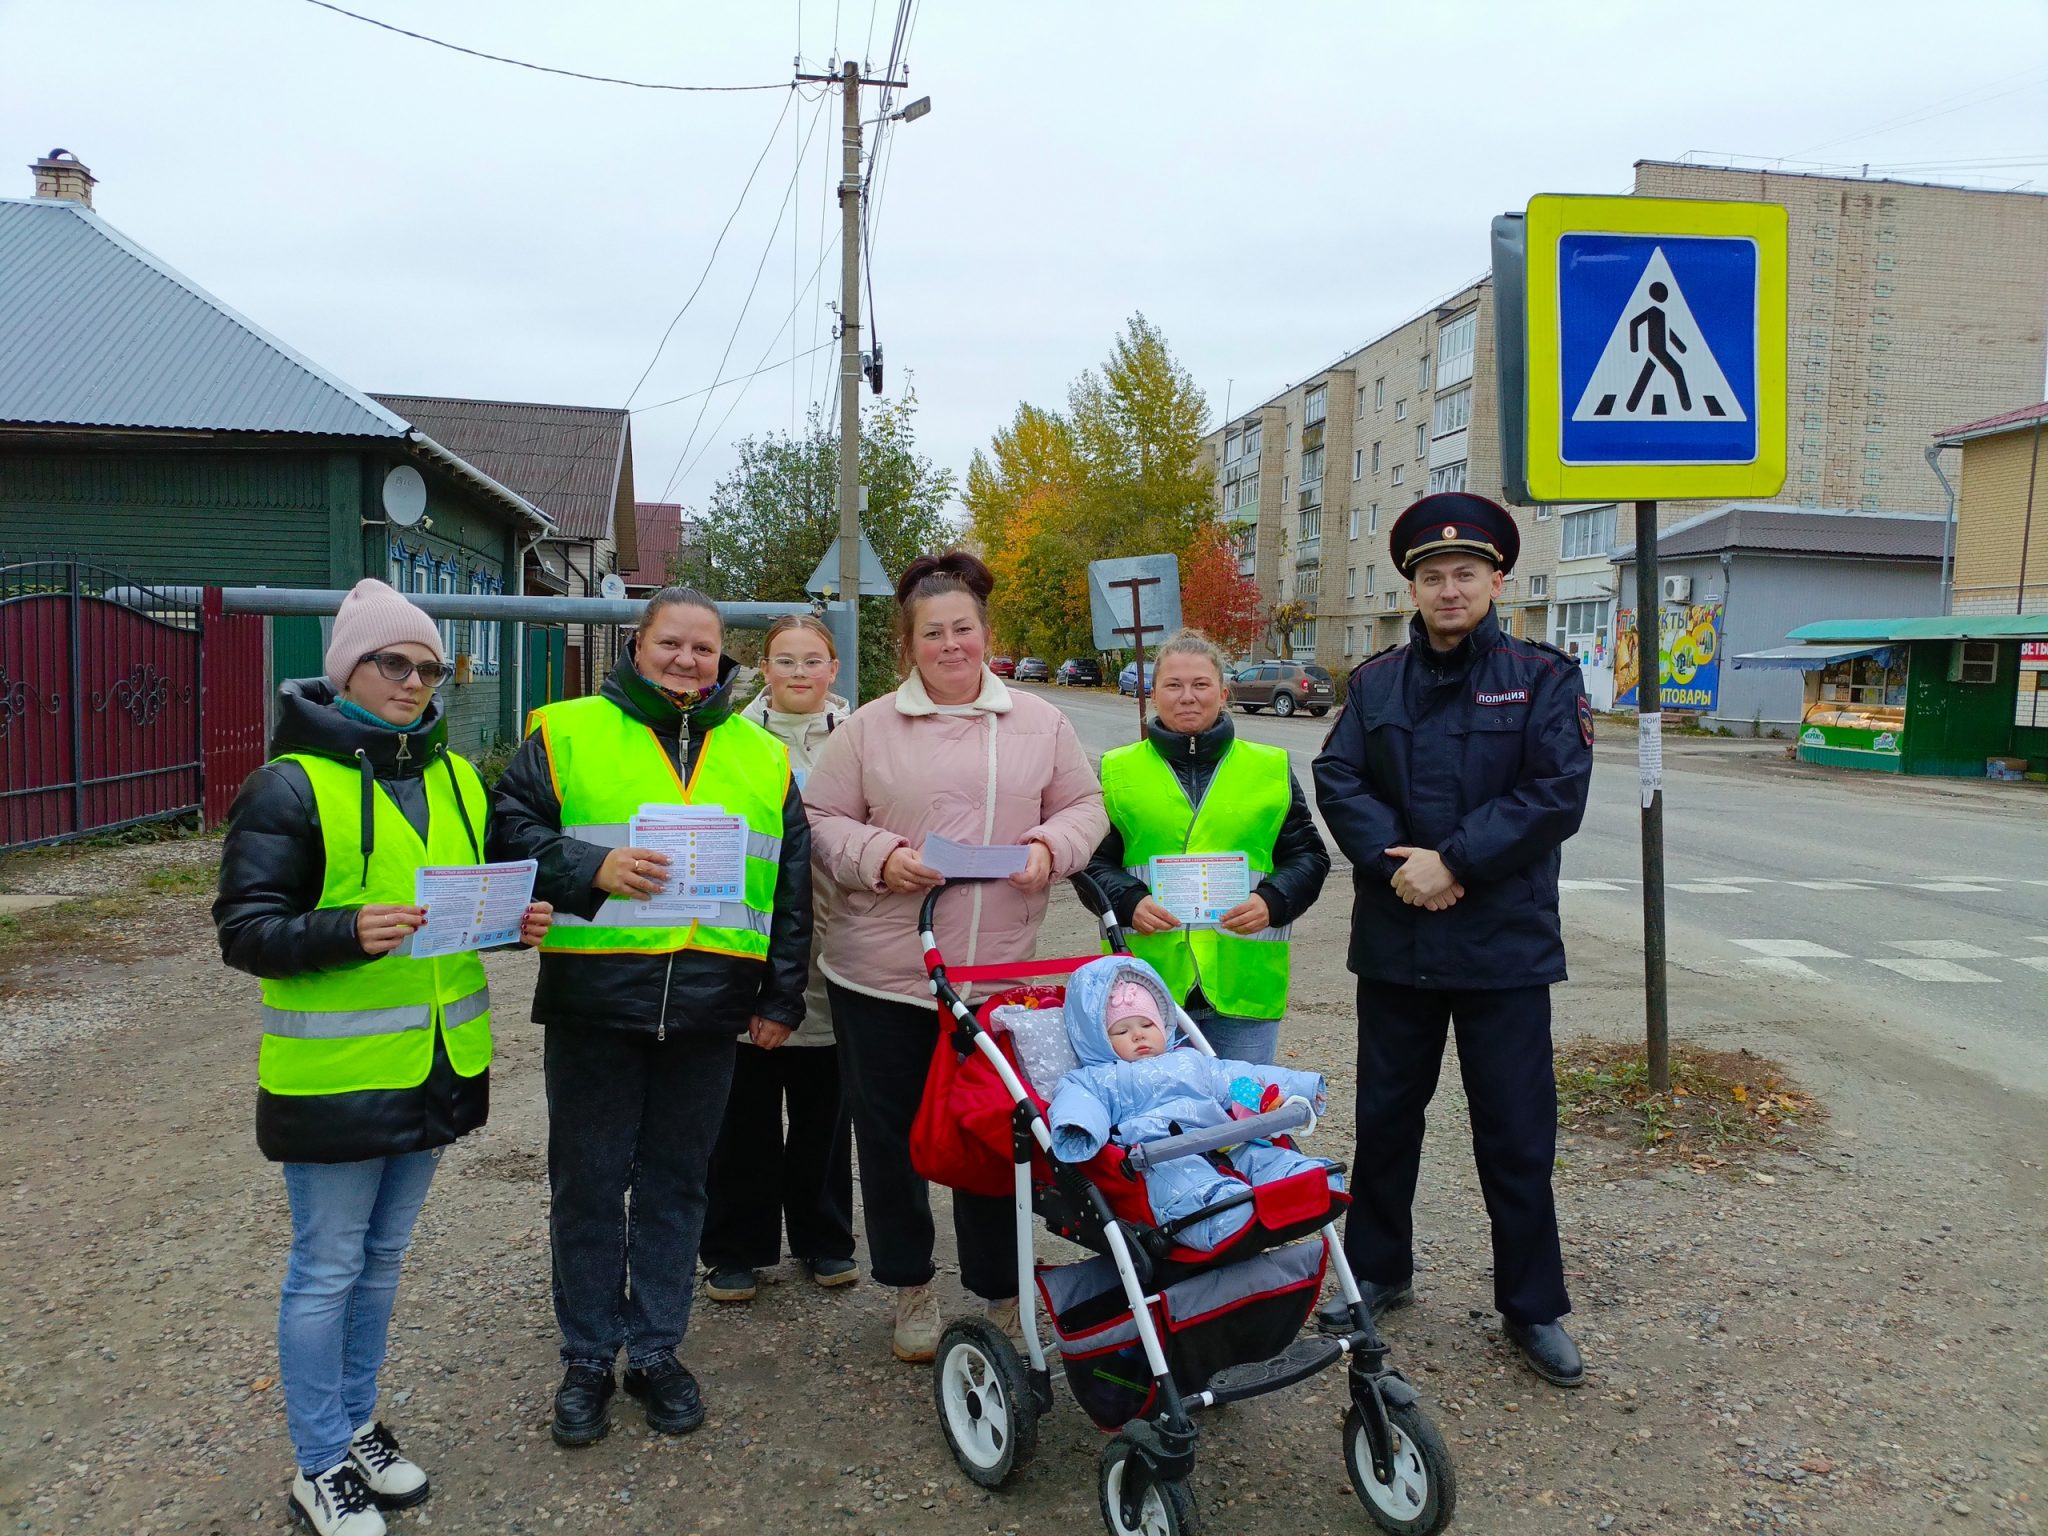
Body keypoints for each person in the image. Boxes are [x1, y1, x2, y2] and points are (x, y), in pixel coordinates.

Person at [215, 578, 552, 1536]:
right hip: (335, 1078)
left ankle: (355, 1424)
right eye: (392, 663)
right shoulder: (289, 783)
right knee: (327, 1266)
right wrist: (340, 930)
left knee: (383, 1260)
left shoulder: (450, 776)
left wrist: (509, 924)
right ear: (347, 669)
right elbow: (243, 930)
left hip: (438, 1064)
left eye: (429, 667)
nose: (413, 681)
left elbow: (456, 908)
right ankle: (319, 1462)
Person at [489, 587, 813, 1447]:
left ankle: (658, 1350)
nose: (687, 660)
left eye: (704, 649)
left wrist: (781, 996)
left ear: (721, 660)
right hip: (598, 1001)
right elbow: (505, 829)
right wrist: (587, 866)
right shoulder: (564, 731)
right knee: (590, 1187)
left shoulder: (761, 755)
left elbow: (789, 890)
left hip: (709, 1009)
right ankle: (589, 1356)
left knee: (677, 1187)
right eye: (671, 643)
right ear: (637, 647)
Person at [1311, 491, 1594, 1388]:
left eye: (1465, 573)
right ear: (1412, 588)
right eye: (1432, 575)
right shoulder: (1375, 683)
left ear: (1495, 579)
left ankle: (1532, 1305)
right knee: (1388, 1120)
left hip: (1502, 947)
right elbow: (1338, 775)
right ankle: (1380, 1271)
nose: (1448, 587)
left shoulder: (1544, 677)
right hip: (1399, 940)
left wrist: (1455, 862)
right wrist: (1400, 866)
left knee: (1516, 1132)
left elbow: (1557, 793)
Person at [805, 550, 1106, 1363]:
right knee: (895, 1139)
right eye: (932, 633)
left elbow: (1085, 806)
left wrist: (1053, 845)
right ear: (908, 646)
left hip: (994, 977)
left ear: (985, 633)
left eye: (962, 629)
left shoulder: (1041, 722)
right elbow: (821, 818)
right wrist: (878, 856)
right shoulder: (867, 727)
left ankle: (1001, 1295)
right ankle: (910, 1288)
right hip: (883, 974)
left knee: (994, 1139)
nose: (950, 645)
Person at [1082, 628, 1330, 1064]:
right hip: (1143, 993)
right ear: (1154, 693)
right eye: (1173, 685)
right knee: (1154, 1124)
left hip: (1243, 985)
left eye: (1201, 685)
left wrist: (1273, 899)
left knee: (1241, 1117)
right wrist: (1128, 900)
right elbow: (1090, 862)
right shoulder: (1117, 771)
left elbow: (1308, 855)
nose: (1187, 696)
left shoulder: (1268, 768)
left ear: (1223, 692)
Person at [701, 613, 857, 1302]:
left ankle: (825, 1239)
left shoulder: (861, 741)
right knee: (743, 1108)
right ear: (764, 669)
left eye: (812, 660)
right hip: (751, 945)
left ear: (834, 670)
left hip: (838, 947)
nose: (798, 673)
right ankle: (736, 1246)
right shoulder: (727, 740)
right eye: (784, 660)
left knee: (826, 1110)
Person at [1046, 957, 1338, 1251]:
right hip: (1163, 1155)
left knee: (1262, 1155)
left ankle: (1301, 1181)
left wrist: (1302, 1087)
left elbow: (1240, 1075)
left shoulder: (1189, 1060)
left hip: (1224, 1141)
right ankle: (1220, 1213)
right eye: (1121, 1032)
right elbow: (1078, 1102)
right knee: (1182, 1184)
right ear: (1097, 1041)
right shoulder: (1097, 1078)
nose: (1139, 1035)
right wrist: (1079, 1128)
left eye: (1148, 1024)